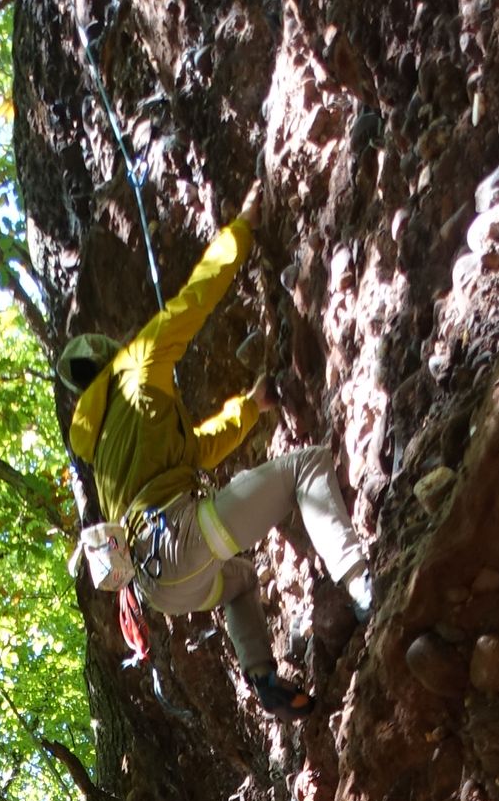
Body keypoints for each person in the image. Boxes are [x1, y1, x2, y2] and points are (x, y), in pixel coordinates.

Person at [55, 186, 371, 716]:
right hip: (179, 536)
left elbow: (196, 452)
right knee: (307, 466)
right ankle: (363, 586)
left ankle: (264, 678)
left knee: (239, 582)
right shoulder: (137, 364)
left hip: (160, 587)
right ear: (110, 354)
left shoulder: (98, 449)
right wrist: (243, 228)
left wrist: (249, 406)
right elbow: (195, 298)